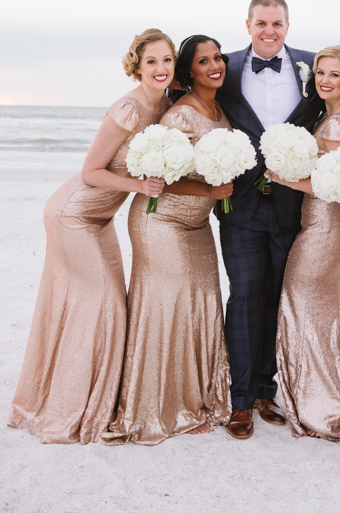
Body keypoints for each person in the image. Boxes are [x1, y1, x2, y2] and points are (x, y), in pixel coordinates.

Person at [216, 0, 340, 439]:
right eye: (262, 23)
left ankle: (271, 391)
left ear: (288, 26)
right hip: (241, 204)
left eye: (278, 24)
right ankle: (242, 399)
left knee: (283, 298)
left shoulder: (313, 66)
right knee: (246, 293)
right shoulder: (223, 67)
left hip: (298, 209)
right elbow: (181, 89)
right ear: (248, 24)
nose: (270, 31)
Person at [7, 29, 176, 444]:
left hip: (102, 219)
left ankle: (95, 397)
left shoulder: (168, 105)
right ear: (136, 65)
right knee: (104, 304)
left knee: (104, 305)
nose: (160, 69)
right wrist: (141, 187)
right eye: (151, 61)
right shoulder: (128, 109)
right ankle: (74, 408)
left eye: (167, 60)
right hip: (73, 215)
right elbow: (91, 172)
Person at [103, 35, 233, 445]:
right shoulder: (178, 117)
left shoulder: (220, 106)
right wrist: (211, 193)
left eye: (217, 57)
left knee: (202, 303)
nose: (213, 65)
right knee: (167, 308)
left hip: (197, 227)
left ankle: (193, 399)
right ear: (187, 71)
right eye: (202, 61)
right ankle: (157, 407)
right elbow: (162, 184)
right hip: (161, 223)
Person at [267, 46, 340, 440]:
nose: (323, 79)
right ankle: (328, 398)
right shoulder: (334, 114)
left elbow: (336, 186)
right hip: (327, 226)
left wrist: (284, 178)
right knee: (325, 315)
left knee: (301, 305)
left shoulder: (339, 124)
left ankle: (324, 406)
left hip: (327, 227)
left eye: (334, 74)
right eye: (320, 72)